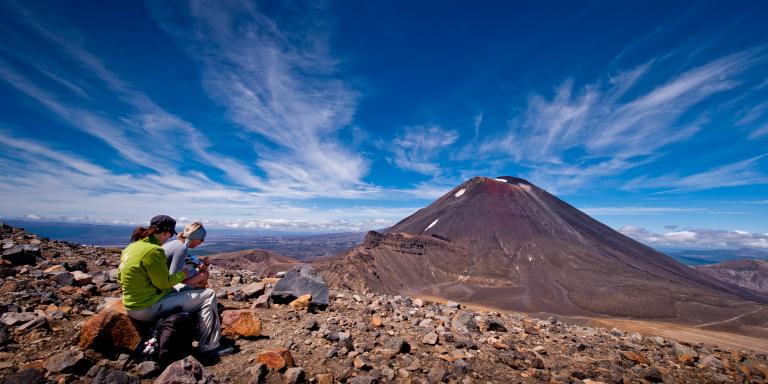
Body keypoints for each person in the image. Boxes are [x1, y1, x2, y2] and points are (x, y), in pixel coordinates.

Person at [117, 215, 232, 357]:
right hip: (147, 307)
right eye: (170, 234)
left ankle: (195, 329)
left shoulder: (132, 247)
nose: (169, 238)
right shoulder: (154, 250)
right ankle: (210, 347)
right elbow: (165, 282)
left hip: (132, 304)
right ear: (166, 233)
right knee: (208, 295)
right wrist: (184, 274)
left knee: (191, 289)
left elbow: (119, 277)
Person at [163, 221, 209, 288]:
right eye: (201, 239)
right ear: (194, 238)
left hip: (161, 280)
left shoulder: (175, 243)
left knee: (200, 273)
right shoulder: (181, 248)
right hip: (166, 285)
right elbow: (173, 276)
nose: (201, 242)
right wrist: (197, 270)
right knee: (204, 274)